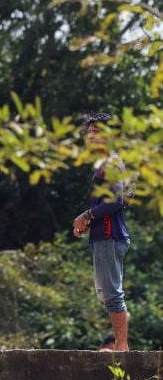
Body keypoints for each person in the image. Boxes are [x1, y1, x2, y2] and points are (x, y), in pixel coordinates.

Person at [72, 112, 130, 352]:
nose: (90, 136)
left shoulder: (110, 162)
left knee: (112, 294)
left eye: (96, 132)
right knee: (107, 294)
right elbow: (127, 194)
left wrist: (86, 216)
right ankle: (121, 346)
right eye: (89, 132)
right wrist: (88, 222)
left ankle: (121, 347)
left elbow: (116, 201)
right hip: (103, 235)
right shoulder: (107, 163)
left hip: (109, 235)